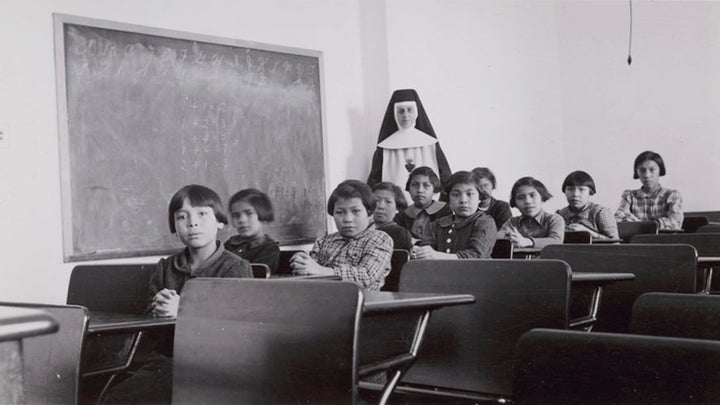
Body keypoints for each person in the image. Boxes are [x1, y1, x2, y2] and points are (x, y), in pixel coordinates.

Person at [105, 184, 252, 404]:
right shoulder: (166, 267)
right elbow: (148, 321)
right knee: (115, 396)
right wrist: (158, 309)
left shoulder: (235, 267)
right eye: (182, 217)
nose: (192, 223)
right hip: (165, 359)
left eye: (202, 214)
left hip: (214, 363)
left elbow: (236, 329)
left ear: (220, 221)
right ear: (174, 226)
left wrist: (182, 311)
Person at [290, 180, 392, 291]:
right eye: (340, 212)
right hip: (323, 300)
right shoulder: (323, 241)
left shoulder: (380, 239)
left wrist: (321, 271)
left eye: (356, 211)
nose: (348, 219)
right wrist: (302, 263)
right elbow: (310, 274)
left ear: (369, 212)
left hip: (362, 303)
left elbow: (366, 276)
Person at [367, 89, 451, 188]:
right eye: (401, 111)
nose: (405, 115)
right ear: (394, 113)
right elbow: (374, 182)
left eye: (409, 110)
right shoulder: (384, 147)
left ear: (416, 112)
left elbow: (446, 178)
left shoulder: (430, 143)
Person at [413, 171, 497, 259]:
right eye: (455, 195)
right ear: (448, 199)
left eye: (470, 194)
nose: (463, 200)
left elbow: (475, 255)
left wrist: (436, 255)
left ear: (479, 198)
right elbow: (428, 250)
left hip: (476, 272)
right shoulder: (437, 225)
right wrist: (420, 252)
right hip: (440, 272)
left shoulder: (485, 222)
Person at [615, 151, 683, 230]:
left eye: (652, 169)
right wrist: (655, 225)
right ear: (637, 172)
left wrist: (638, 224)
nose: (647, 175)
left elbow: (675, 222)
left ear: (660, 170)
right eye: (642, 170)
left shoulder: (672, 195)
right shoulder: (629, 196)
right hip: (637, 241)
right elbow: (618, 219)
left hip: (666, 241)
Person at [497, 177, 565, 248]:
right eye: (520, 198)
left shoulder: (554, 219)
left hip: (545, 259)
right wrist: (507, 239)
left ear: (542, 198)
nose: (527, 201)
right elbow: (497, 240)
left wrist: (527, 241)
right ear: (515, 202)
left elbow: (556, 241)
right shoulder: (512, 222)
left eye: (532, 195)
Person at [224, 188, 280, 272]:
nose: (241, 220)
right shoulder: (230, 244)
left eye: (249, 213)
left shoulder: (269, 249)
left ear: (262, 215)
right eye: (236, 215)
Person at [395, 166, 452, 241]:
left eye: (426, 185)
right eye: (415, 185)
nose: (420, 190)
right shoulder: (403, 214)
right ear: (408, 188)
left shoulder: (445, 210)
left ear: (434, 189)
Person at [557, 171, 619, 239]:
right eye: (570, 189)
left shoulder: (600, 212)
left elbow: (615, 242)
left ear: (590, 192)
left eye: (581, 190)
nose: (575, 194)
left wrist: (588, 233)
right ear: (564, 192)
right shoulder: (560, 215)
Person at [371, 181, 414, 251]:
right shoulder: (362, 230)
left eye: (388, 202)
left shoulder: (399, 233)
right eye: (376, 200)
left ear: (397, 208)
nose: (381, 206)